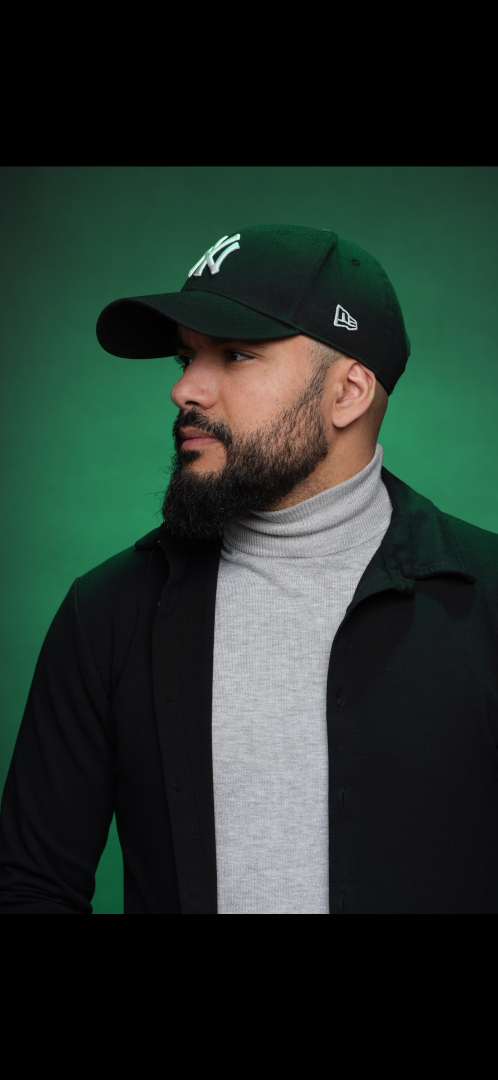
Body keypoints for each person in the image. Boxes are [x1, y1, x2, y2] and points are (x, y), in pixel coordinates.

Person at [1, 223, 497, 914]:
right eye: (186, 357)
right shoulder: (107, 611)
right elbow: (31, 888)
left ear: (348, 392)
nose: (184, 389)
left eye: (235, 354)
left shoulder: (487, 598)